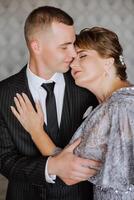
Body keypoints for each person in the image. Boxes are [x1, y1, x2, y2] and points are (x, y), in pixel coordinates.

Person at [11, 26, 134, 200]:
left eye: (83, 56)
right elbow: (70, 164)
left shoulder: (121, 107)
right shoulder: (111, 104)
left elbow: (70, 172)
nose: (73, 64)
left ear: (108, 61)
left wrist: (36, 132)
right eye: (73, 59)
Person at [0, 6, 100, 200]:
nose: (73, 53)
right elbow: (3, 159)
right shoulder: (4, 93)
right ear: (36, 46)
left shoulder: (85, 85)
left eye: (73, 44)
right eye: (64, 46)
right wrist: (51, 166)